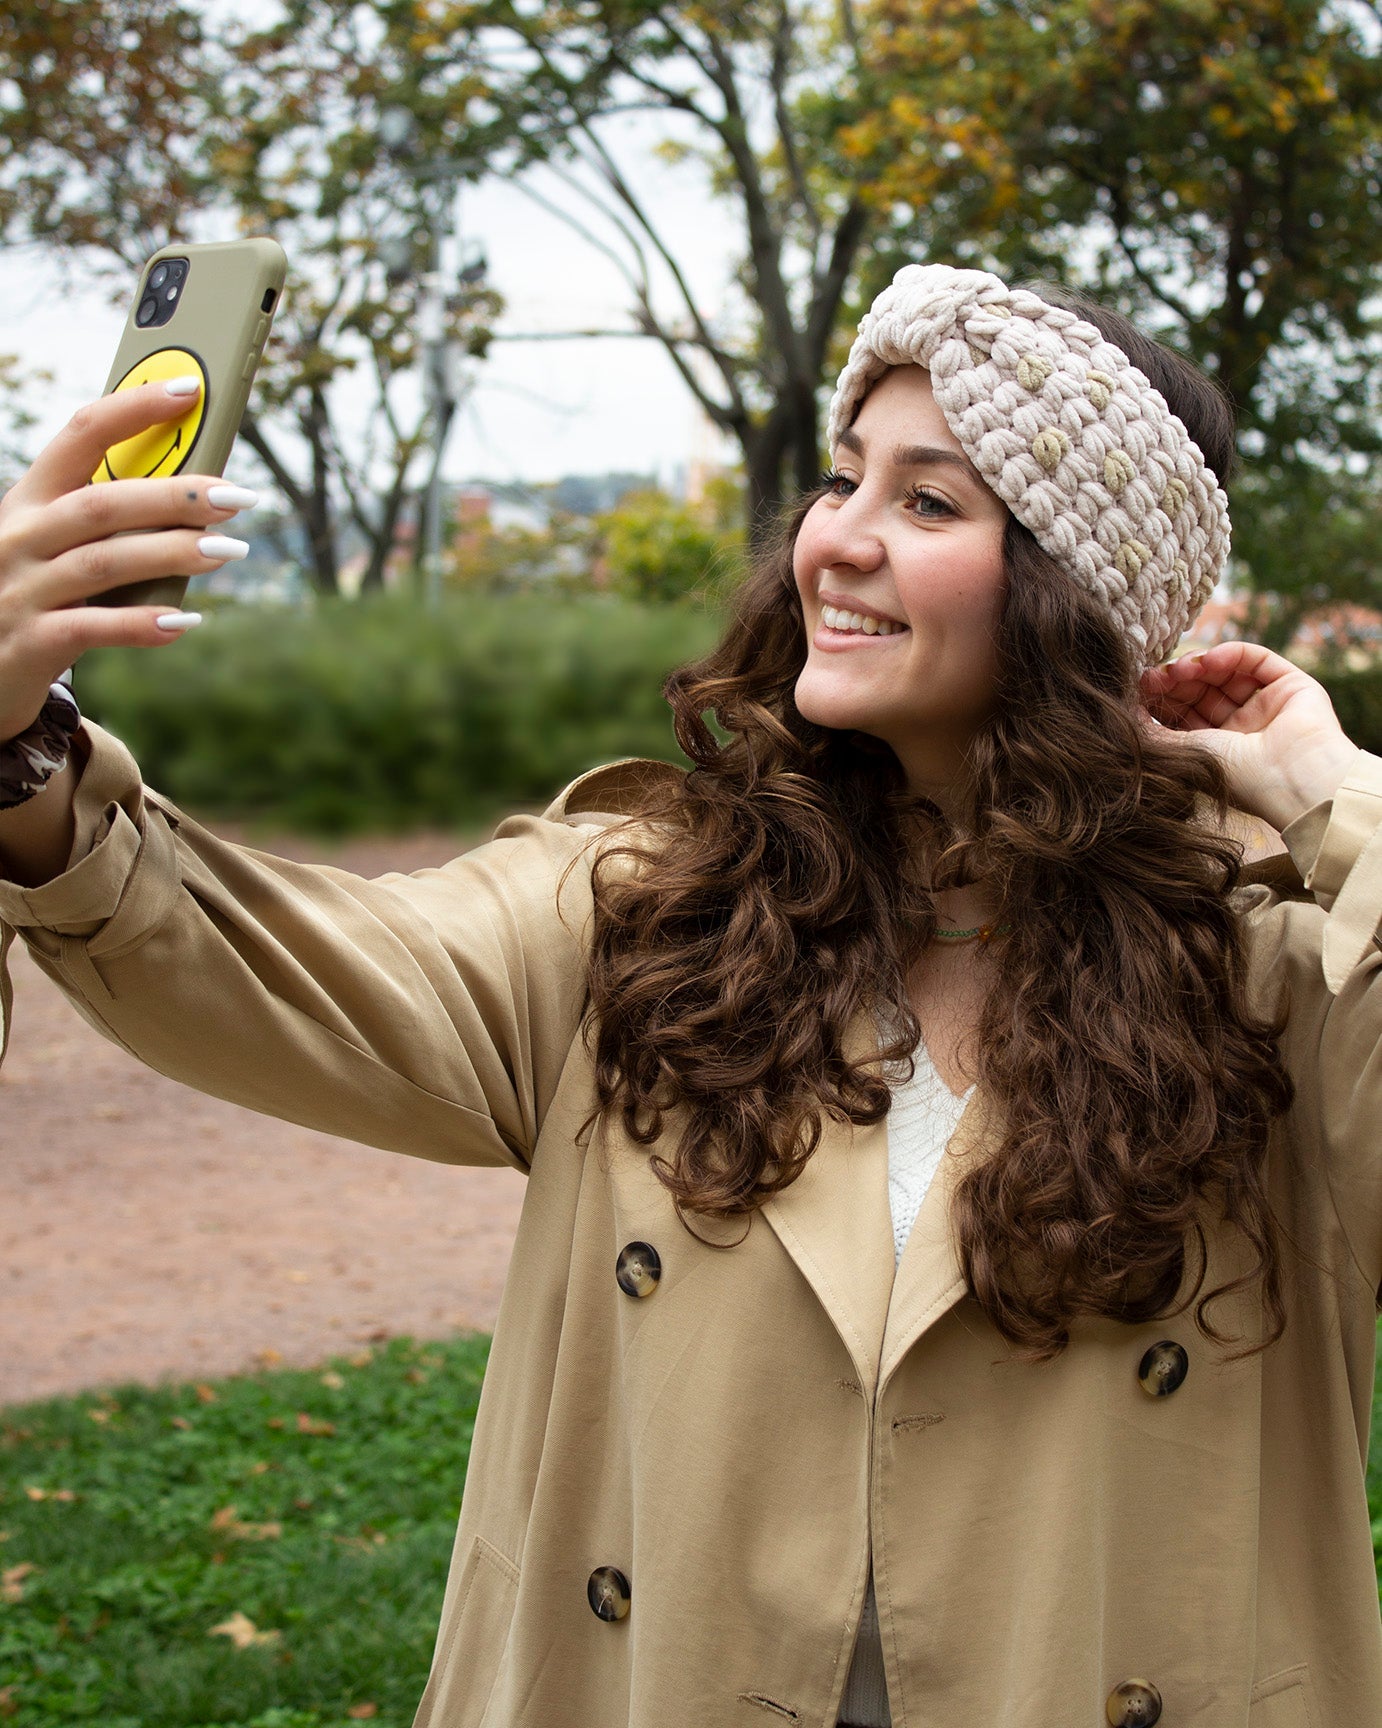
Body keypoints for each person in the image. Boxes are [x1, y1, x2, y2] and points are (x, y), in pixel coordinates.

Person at [0, 263, 1378, 1728]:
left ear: (1073, 598)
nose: (836, 540)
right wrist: (22, 750)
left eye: (927, 503)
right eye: (845, 481)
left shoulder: (1270, 974)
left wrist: (1331, 796)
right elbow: (233, 953)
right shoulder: (653, 913)